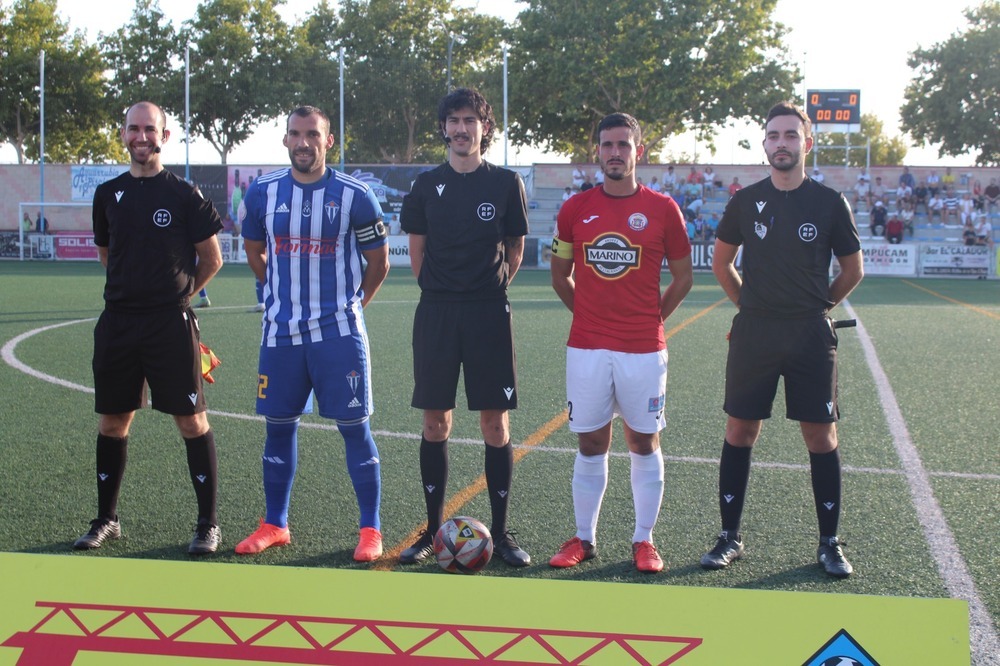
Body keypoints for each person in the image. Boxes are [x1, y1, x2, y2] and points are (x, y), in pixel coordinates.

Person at [701, 101, 863, 579]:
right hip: (755, 332)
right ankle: (729, 536)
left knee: (820, 434)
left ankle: (829, 543)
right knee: (739, 430)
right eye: (774, 136)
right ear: (764, 144)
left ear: (807, 143)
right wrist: (748, 306)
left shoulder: (830, 203)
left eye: (791, 135)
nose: (782, 143)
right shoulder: (745, 201)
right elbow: (721, 263)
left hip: (811, 333)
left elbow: (853, 269)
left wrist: (821, 308)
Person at [235, 106, 390, 562]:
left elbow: (378, 262)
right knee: (278, 427)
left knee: (354, 428)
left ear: (329, 141)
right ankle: (274, 523)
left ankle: (370, 529)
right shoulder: (262, 192)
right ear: (285, 140)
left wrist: (355, 305)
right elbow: (253, 250)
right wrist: (274, 294)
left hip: (338, 334)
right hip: (280, 333)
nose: (304, 143)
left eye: (313, 135)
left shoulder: (355, 196)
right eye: (295, 135)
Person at [76, 101, 224, 555]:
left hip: (169, 324)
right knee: (113, 421)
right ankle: (106, 519)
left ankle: (207, 525)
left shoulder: (185, 195)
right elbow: (107, 254)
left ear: (165, 135)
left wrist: (178, 297)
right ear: (123, 135)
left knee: (191, 421)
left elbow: (212, 258)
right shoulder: (108, 195)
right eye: (133, 129)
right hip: (118, 323)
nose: (142, 137)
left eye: (150, 130)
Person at [549, 112, 692, 573]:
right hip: (587, 347)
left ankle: (643, 540)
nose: (615, 153)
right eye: (607, 145)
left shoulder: (663, 209)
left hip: (643, 349)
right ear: (597, 152)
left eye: (623, 146)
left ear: (638, 152)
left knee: (644, 441)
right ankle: (584, 538)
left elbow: (684, 278)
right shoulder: (574, 209)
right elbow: (559, 274)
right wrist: (589, 316)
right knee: (590, 442)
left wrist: (651, 318)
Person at [398, 87, 531, 568]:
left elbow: (514, 248)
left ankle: (500, 532)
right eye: (453, 120)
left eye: (469, 121)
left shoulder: (505, 183)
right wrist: (441, 291)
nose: (460, 129)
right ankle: (434, 530)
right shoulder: (425, 184)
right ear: (443, 128)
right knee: (436, 421)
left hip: (488, 311)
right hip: (436, 311)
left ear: (484, 128)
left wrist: (487, 289)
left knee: (495, 422)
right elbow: (417, 250)